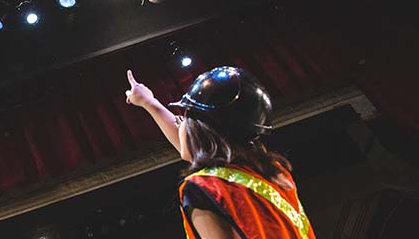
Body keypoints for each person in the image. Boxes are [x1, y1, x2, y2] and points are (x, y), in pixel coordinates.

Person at [125, 67, 315, 239]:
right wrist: (148, 102)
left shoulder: (206, 188)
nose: (181, 123)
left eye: (185, 117)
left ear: (202, 131)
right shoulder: (274, 174)